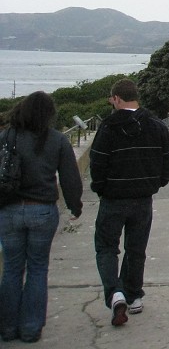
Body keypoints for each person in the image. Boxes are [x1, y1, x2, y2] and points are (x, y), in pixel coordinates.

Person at [90, 78, 169, 327]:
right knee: (136, 249)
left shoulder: (107, 127)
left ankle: (115, 293)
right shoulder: (157, 126)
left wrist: (101, 188)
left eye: (111, 99)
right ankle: (134, 295)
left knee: (106, 248)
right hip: (142, 199)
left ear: (116, 98)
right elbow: (168, 161)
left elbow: (97, 163)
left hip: (113, 198)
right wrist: (155, 184)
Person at [0, 91, 83, 343]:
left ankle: (7, 328)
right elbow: (70, 178)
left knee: (12, 269)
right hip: (42, 210)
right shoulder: (57, 140)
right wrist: (74, 206)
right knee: (37, 269)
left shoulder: (6, 137)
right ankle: (30, 328)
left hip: (9, 210)